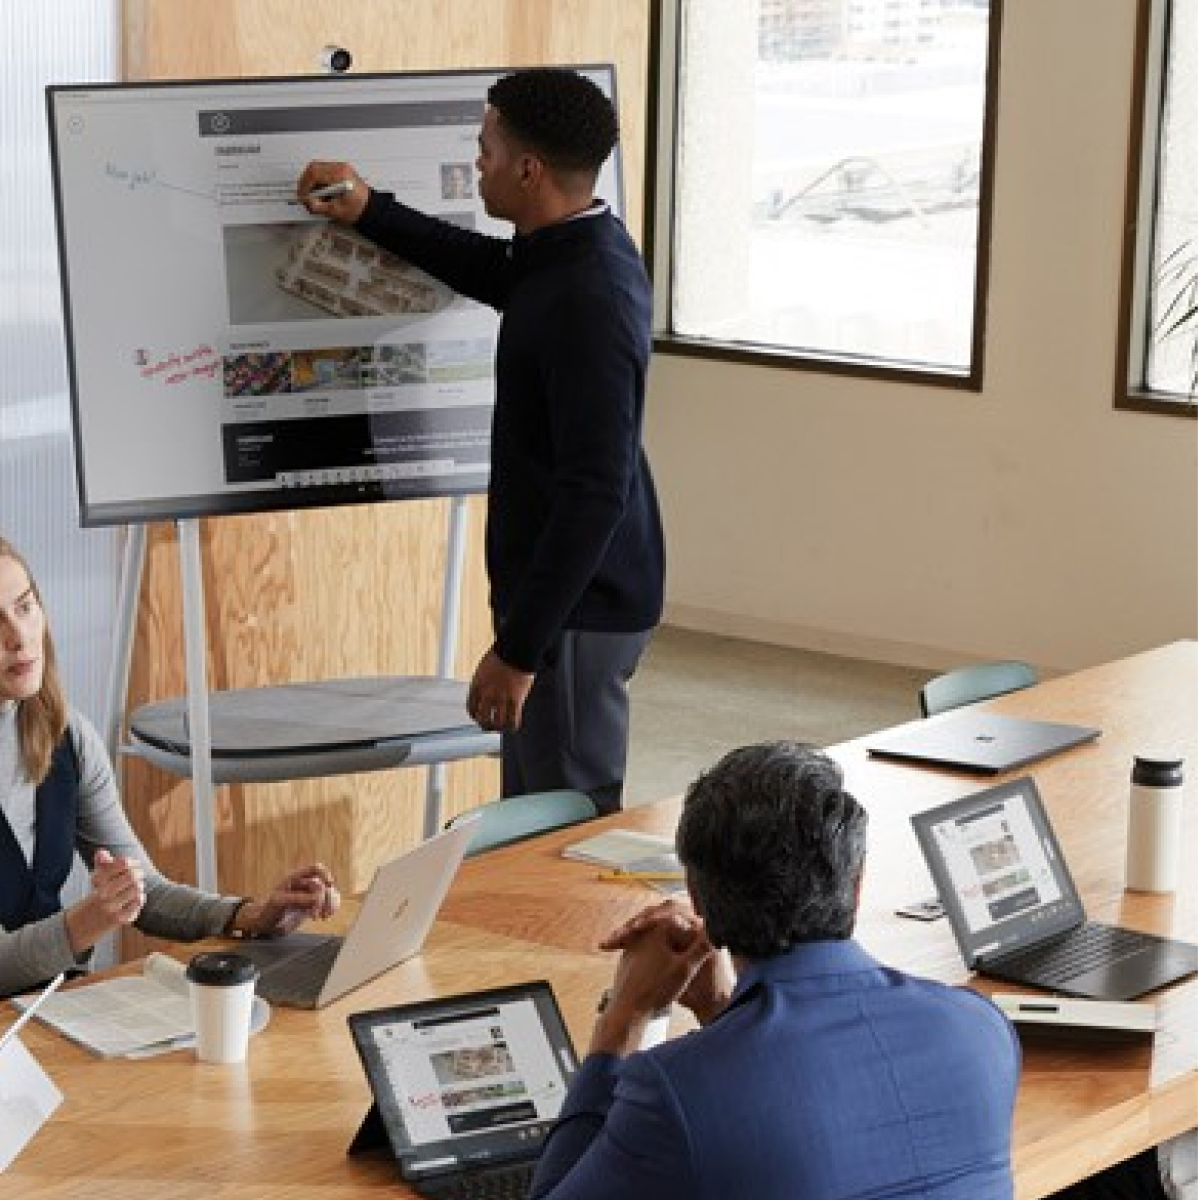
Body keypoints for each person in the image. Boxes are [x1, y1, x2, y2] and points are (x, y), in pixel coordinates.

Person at [298, 67, 664, 813]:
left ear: (528, 169)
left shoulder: (591, 297)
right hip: (561, 604)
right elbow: (493, 271)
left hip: (577, 613)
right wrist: (372, 211)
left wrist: (519, 652)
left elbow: (595, 494)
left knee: (563, 827)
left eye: (486, 151)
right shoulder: (568, 246)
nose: (478, 164)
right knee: (532, 813)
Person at [0, 525, 340, 1039]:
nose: (18, 637)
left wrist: (251, 916)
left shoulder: (65, 736)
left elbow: (144, 892)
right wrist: (93, 917)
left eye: (25, 606)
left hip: (42, 1019)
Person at [529, 741, 1020, 1200]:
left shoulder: (672, 1089)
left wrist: (625, 1019)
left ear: (699, 901)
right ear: (856, 883)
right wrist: (721, 1011)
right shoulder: (980, 1027)